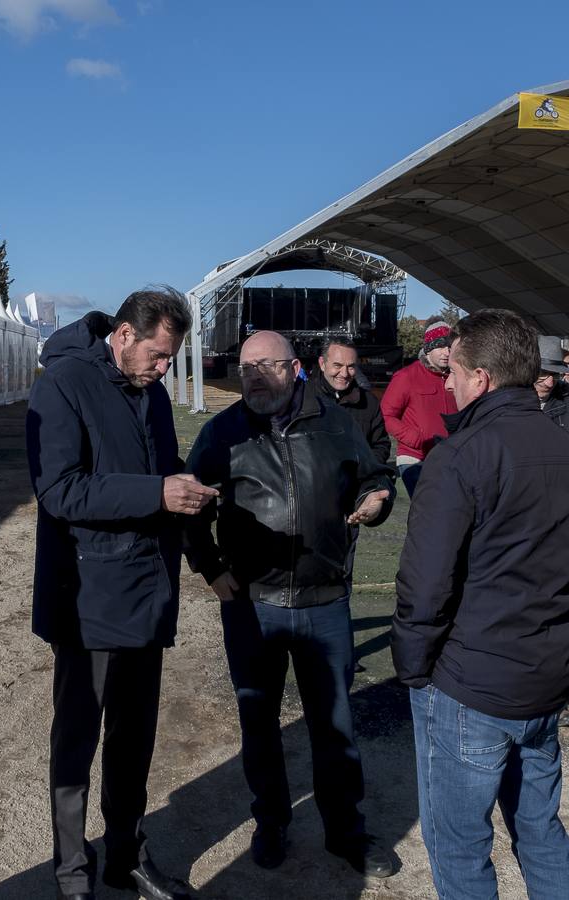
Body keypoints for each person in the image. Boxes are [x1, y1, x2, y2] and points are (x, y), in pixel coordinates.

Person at [392, 309, 569, 900]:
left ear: (480, 378)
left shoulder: (457, 458)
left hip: (470, 684)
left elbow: (424, 587)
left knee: (459, 845)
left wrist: (413, 670)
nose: (446, 383)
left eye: (453, 370)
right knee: (538, 829)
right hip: (545, 676)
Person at [184, 331, 398, 878]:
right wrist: (211, 568)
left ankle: (346, 832)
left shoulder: (334, 422)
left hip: (324, 602)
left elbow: (375, 476)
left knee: (334, 724)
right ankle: (271, 821)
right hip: (253, 606)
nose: (253, 375)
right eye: (245, 366)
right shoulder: (223, 432)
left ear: (295, 368)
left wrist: (377, 501)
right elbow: (188, 505)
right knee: (259, 723)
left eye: (267, 365)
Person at [27, 288, 214, 900]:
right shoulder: (65, 383)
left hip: (147, 595)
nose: (165, 368)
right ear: (125, 335)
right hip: (89, 597)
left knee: (135, 739)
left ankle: (125, 858)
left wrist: (190, 486)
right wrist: (156, 494)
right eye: (159, 355)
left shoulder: (152, 392)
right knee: (77, 741)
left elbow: (159, 467)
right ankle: (71, 873)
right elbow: (61, 491)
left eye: (172, 359)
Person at [381, 319, 457, 495]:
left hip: (449, 456)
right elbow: (386, 415)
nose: (447, 352)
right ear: (428, 348)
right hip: (415, 458)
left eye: (450, 347)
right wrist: (415, 438)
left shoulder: (456, 377)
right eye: (440, 346)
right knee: (425, 509)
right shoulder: (406, 376)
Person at [308, 338, 393, 466]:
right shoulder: (302, 398)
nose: (344, 373)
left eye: (351, 367)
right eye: (337, 365)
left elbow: (380, 445)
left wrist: (364, 470)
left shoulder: (369, 403)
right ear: (322, 363)